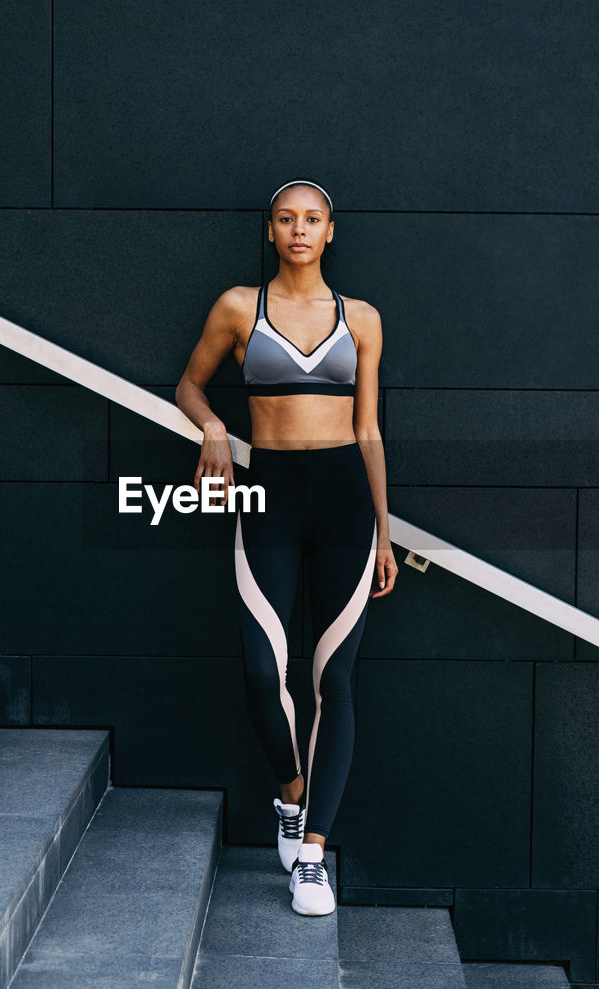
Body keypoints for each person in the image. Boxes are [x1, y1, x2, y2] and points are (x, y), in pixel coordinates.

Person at [175, 179, 398, 917]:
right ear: (270, 230)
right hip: (265, 495)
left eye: (312, 219)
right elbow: (189, 386)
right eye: (286, 219)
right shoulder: (241, 307)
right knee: (260, 667)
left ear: (330, 231)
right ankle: (291, 794)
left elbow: (370, 430)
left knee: (336, 683)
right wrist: (212, 426)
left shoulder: (360, 318)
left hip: (344, 504)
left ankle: (313, 855)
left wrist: (386, 533)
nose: (299, 229)